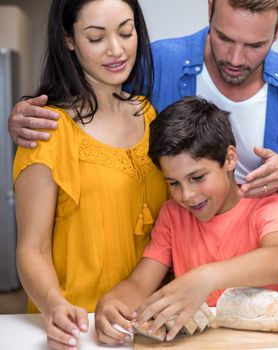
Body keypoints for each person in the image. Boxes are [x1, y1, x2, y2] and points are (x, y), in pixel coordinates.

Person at [7, 0, 278, 219]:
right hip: (167, 264)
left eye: (255, 46)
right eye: (224, 38)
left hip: (255, 268)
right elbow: (91, 105)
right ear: (210, 7)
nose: (236, 58)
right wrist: (27, 112)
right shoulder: (156, 61)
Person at [12, 0, 167, 349]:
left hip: (147, 327)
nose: (117, 49)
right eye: (96, 38)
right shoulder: (47, 129)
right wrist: (54, 305)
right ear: (68, 39)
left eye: (126, 32)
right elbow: (32, 249)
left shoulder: (148, 114)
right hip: (79, 329)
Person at [94, 96, 278, 345]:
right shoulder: (173, 214)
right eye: (173, 183)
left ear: (230, 159)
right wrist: (111, 303)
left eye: (197, 177)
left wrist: (205, 278)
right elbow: (139, 284)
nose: (187, 195)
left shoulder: (264, 204)